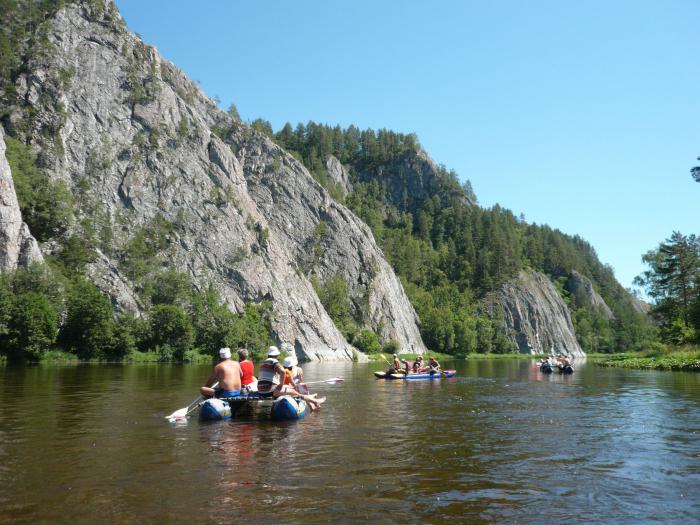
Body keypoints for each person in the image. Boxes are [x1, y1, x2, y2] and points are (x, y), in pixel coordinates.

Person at [258, 346, 324, 410]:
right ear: (276, 355)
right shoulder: (274, 362)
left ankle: (312, 399)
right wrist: (281, 385)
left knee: (288, 388)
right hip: (270, 391)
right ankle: (314, 401)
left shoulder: (263, 363)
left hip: (260, 390)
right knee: (295, 392)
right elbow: (282, 371)